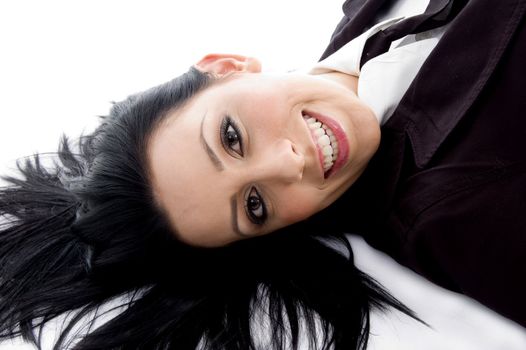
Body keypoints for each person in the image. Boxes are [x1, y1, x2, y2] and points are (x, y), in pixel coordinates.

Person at [0, 0, 524, 349]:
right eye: (255, 205)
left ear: (225, 65)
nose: (288, 164)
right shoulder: (459, 217)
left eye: (231, 137)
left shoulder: (369, 9)